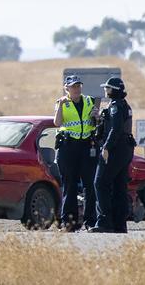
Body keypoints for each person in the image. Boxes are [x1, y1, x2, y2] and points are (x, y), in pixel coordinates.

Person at [89, 77, 137, 233]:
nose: (105, 90)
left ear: (114, 90)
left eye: (108, 88)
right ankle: (119, 224)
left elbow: (115, 129)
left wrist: (107, 147)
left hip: (115, 149)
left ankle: (104, 222)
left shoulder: (115, 106)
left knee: (100, 183)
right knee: (119, 186)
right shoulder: (123, 105)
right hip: (125, 149)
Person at [53, 75, 98, 232]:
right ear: (67, 88)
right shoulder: (61, 103)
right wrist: (60, 106)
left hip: (86, 146)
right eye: (73, 86)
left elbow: (95, 122)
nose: (77, 89)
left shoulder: (89, 100)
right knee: (69, 186)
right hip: (68, 146)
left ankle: (90, 221)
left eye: (78, 85)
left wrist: (96, 116)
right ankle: (68, 223)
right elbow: (57, 123)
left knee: (89, 186)